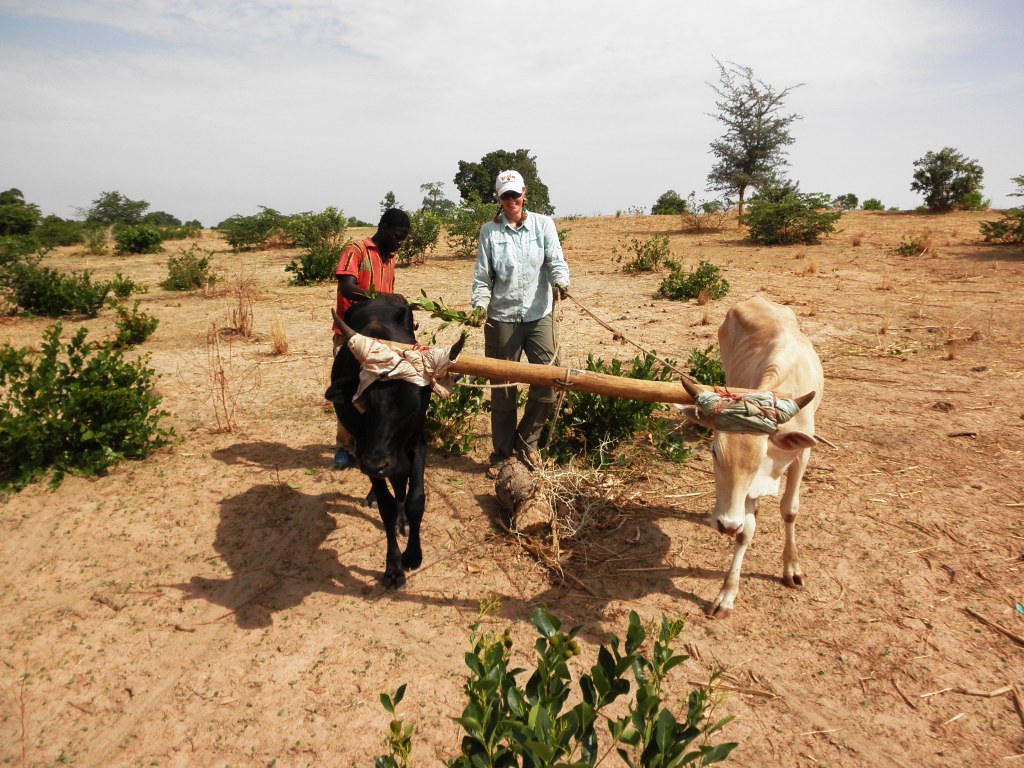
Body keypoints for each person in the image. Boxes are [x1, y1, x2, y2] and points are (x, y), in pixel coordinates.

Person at [469, 170, 570, 479]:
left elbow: (555, 260)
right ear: (499, 199)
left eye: (515, 194)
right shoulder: (489, 231)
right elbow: (483, 279)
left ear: (524, 193)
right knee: (502, 392)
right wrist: (479, 306)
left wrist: (560, 281)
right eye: (505, 196)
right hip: (501, 319)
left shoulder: (543, 225)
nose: (511, 200)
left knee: (548, 384)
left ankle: (527, 444)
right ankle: (501, 454)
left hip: (539, 313)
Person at [332, 208, 410, 469]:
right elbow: (347, 288)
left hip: (383, 339)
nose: (400, 243)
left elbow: (387, 302)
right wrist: (382, 298)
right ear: (383, 227)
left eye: (404, 238)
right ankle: (344, 446)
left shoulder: (390, 257)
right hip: (353, 335)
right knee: (350, 391)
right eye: (398, 236)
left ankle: (371, 443)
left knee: (378, 395)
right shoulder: (357, 249)